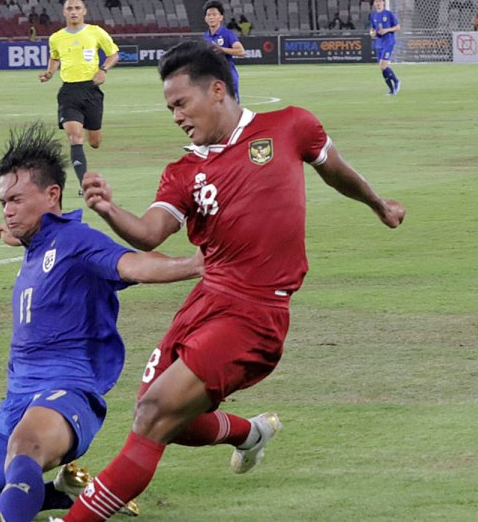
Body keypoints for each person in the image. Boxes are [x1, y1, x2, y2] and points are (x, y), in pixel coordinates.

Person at [59, 41, 405, 522]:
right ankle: (249, 433)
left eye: (181, 103)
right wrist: (109, 209)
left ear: (217, 90)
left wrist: (378, 204)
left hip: (257, 312)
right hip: (205, 301)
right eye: (170, 108)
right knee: (162, 415)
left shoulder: (289, 126)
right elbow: (150, 233)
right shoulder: (184, 171)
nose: (176, 116)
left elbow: (336, 170)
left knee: (154, 414)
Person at [0, 123, 202, 522]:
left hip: (67, 395)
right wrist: (21, 236)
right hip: (15, 402)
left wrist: (197, 264)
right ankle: (63, 493)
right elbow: (42, 247)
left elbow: (134, 264)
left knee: (26, 444)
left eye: (16, 199)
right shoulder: (37, 244)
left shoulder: (76, 240)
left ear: (52, 196)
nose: (8, 210)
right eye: (3, 202)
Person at [40, 0, 120, 195]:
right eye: (69, 8)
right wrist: (50, 72)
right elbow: (54, 57)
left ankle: (90, 136)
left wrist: (103, 70)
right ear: (64, 12)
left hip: (91, 90)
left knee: (94, 142)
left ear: (84, 11)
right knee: (75, 137)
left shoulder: (95, 32)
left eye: (77, 8)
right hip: (68, 91)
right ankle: (84, 183)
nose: (73, 12)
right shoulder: (56, 38)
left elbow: (113, 54)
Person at [201, 0, 245, 100]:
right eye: (208, 15)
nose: (211, 17)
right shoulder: (205, 36)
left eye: (214, 14)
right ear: (205, 18)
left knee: (231, 111)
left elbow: (241, 52)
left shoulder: (227, 34)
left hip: (228, 77)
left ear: (220, 17)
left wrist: (222, 49)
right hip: (212, 79)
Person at [368, 0, 401, 95]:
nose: (378, 3)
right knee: (382, 67)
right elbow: (372, 29)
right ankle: (391, 90)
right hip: (379, 43)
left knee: (383, 66)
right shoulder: (373, 15)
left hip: (389, 42)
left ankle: (396, 81)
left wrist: (387, 30)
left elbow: (398, 27)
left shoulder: (389, 14)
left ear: (383, 3)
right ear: (374, 4)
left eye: (380, 1)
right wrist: (372, 33)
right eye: (376, 1)